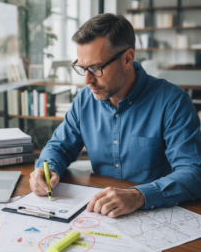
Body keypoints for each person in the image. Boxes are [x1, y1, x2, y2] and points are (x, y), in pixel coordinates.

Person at [29, 13, 201, 218]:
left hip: (157, 214)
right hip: (99, 213)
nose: (86, 80)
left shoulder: (173, 102)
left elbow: (193, 172)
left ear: (127, 59)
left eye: (95, 68)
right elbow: (59, 146)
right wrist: (46, 169)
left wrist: (139, 195)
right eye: (82, 68)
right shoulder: (85, 100)